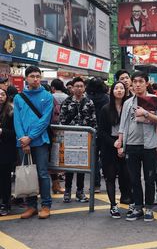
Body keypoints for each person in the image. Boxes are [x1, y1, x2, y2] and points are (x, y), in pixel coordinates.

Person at [117, 71, 157, 222]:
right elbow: (123, 125)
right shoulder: (128, 103)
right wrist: (120, 144)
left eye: (140, 81)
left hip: (149, 145)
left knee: (150, 178)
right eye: (135, 81)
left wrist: (146, 114)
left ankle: (149, 207)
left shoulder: (155, 100)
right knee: (134, 178)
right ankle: (138, 207)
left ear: (146, 83)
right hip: (131, 144)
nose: (137, 85)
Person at [13, 66, 53, 219]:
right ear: (26, 79)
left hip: (40, 142)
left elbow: (44, 121)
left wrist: (29, 137)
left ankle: (45, 205)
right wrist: (23, 139)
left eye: (38, 76)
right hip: (23, 143)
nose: (36, 79)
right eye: (32, 76)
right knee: (28, 174)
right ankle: (31, 206)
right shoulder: (18, 98)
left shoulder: (47, 96)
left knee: (42, 174)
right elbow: (17, 121)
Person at [59, 77, 97, 203]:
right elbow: (62, 119)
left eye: (81, 86)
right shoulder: (67, 102)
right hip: (70, 139)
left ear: (84, 87)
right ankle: (68, 191)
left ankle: (80, 191)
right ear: (72, 88)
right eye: (77, 86)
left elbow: (93, 120)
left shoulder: (89, 102)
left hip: (84, 139)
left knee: (82, 166)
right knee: (69, 166)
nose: (79, 88)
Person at [98, 81, 131, 218]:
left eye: (121, 88)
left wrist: (123, 144)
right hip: (110, 147)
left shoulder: (129, 107)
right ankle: (113, 205)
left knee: (127, 176)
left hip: (127, 145)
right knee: (110, 177)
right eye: (116, 88)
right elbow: (102, 132)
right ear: (112, 91)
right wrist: (114, 144)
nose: (119, 90)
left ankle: (130, 202)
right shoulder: (106, 109)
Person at [86, 78, 110, 193]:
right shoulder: (106, 98)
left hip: (92, 132)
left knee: (93, 159)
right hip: (105, 131)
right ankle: (108, 179)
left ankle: (96, 185)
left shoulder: (88, 99)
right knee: (105, 157)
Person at [0, 88, 16, 216]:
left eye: (2, 94)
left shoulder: (11, 111)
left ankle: (5, 203)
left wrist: (2, 131)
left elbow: (15, 133)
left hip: (6, 150)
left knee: (5, 178)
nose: (0, 96)